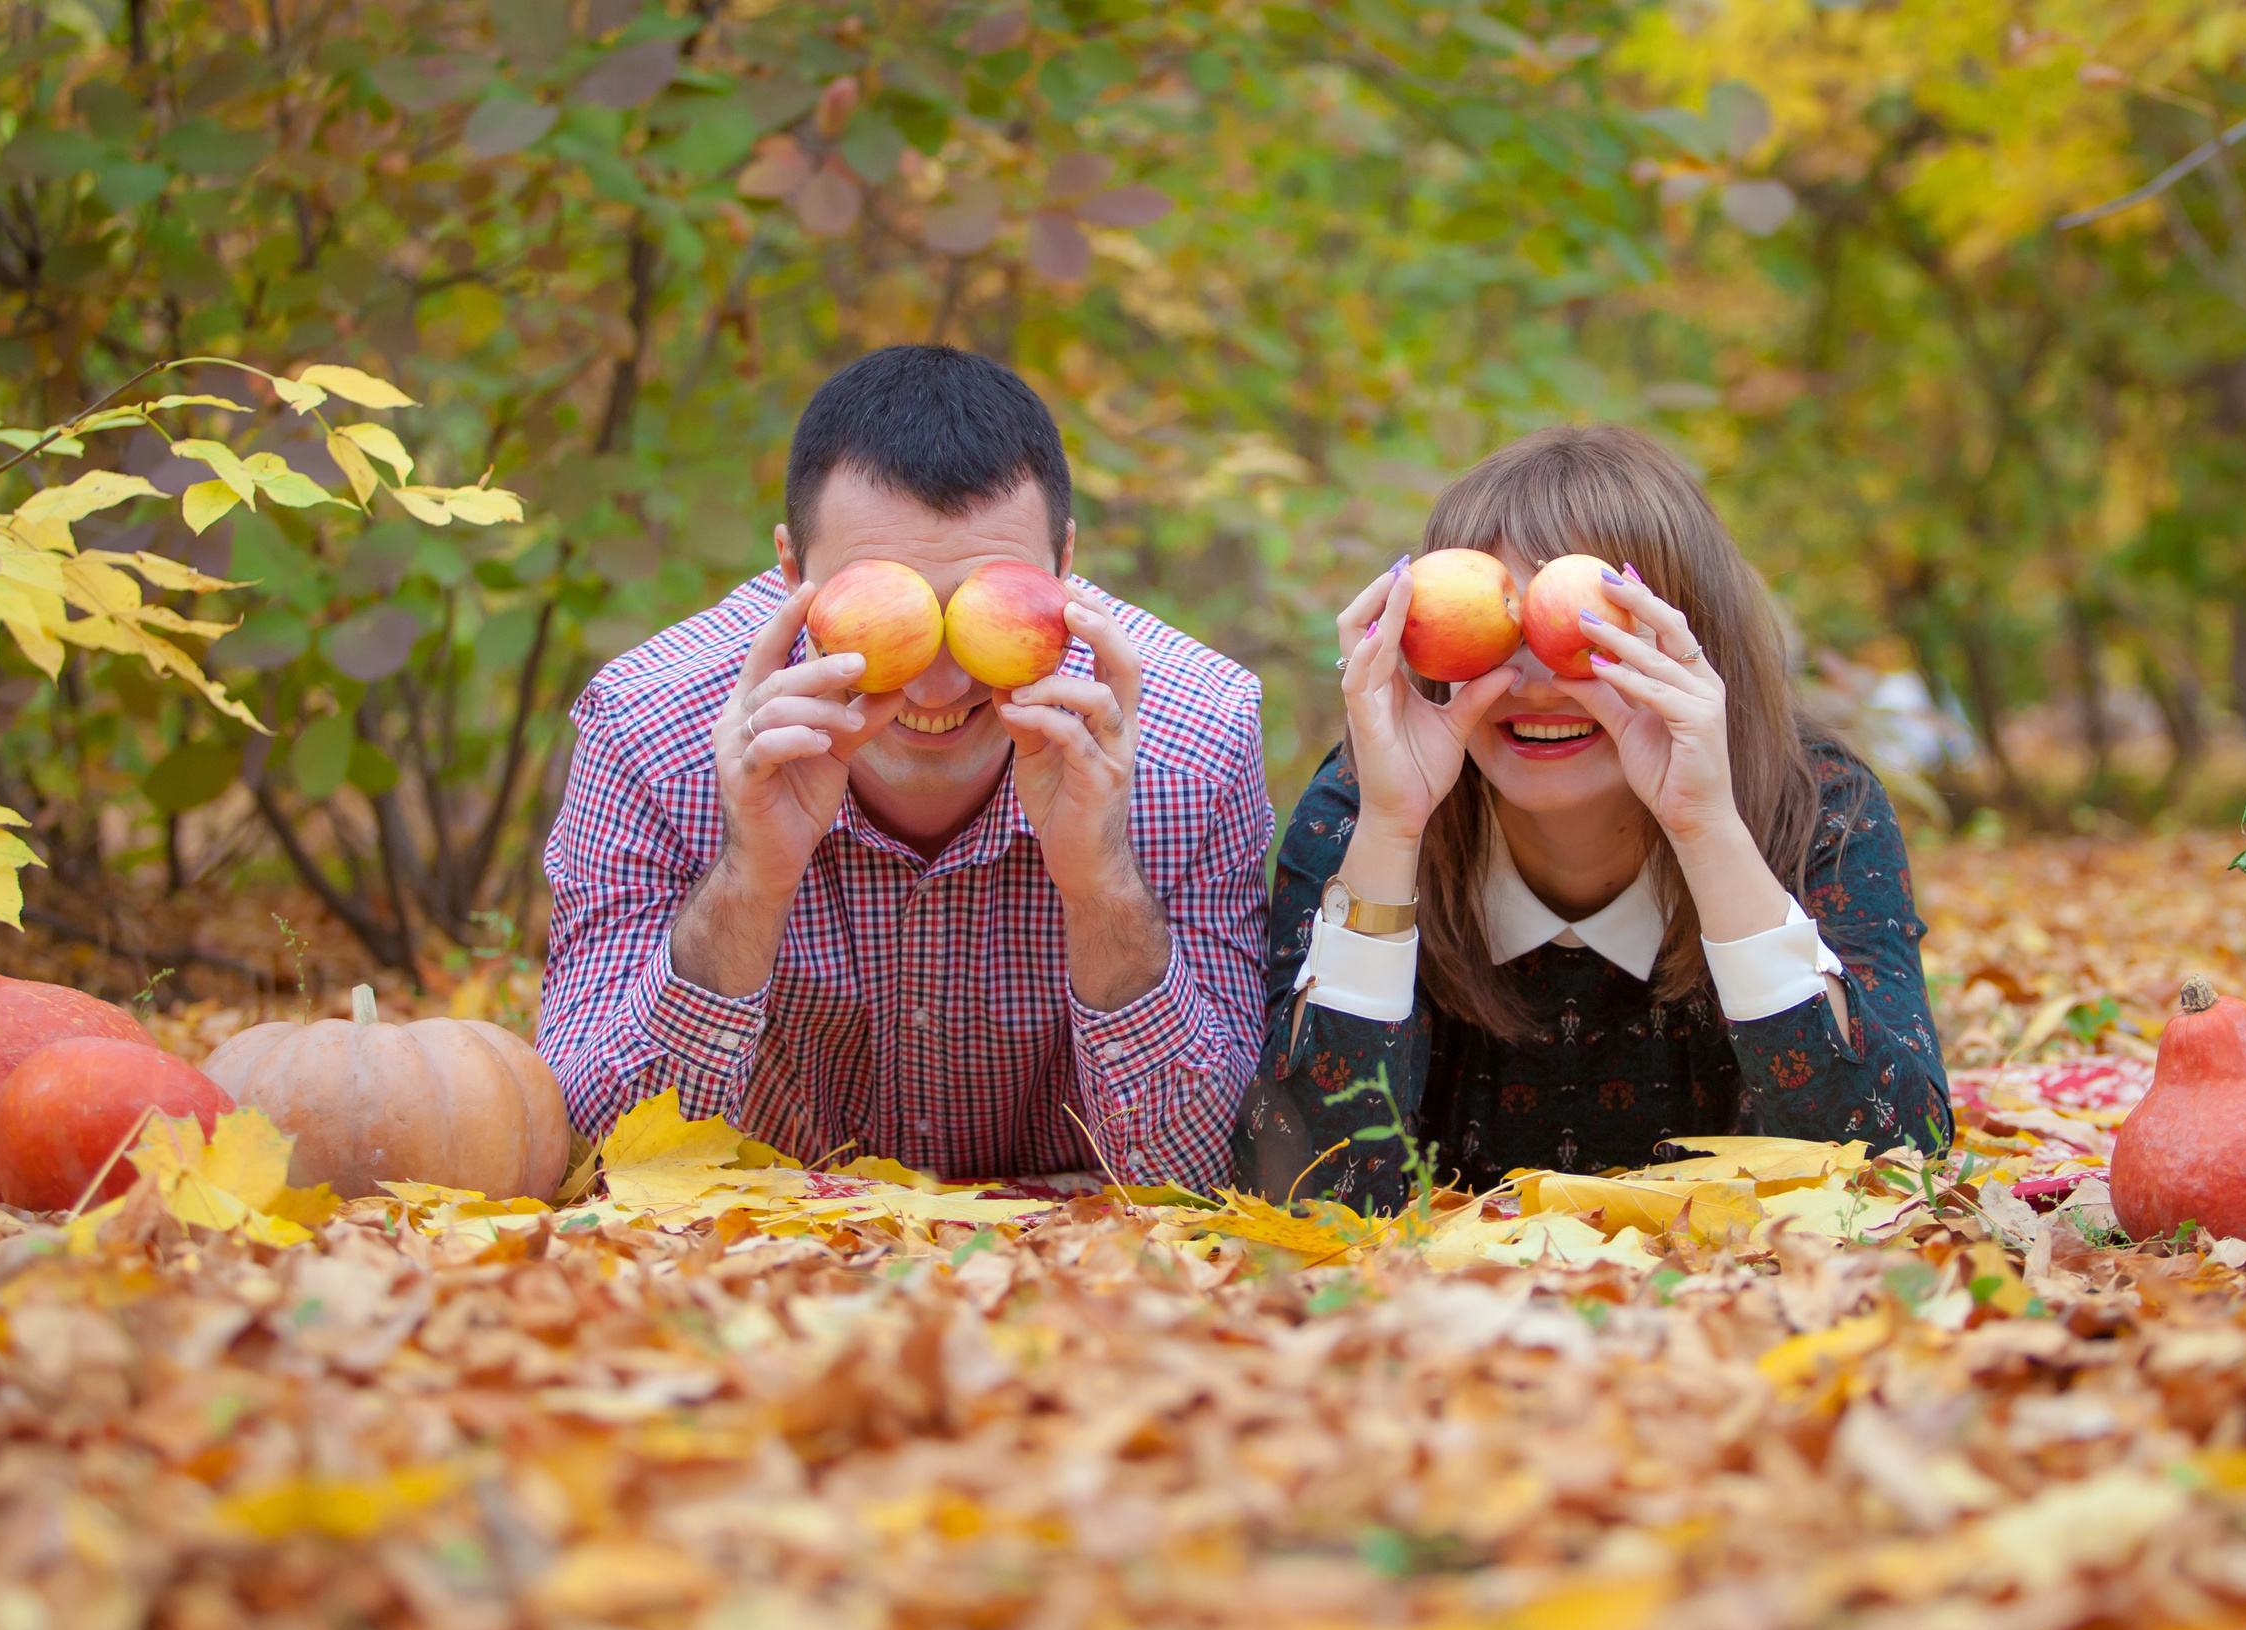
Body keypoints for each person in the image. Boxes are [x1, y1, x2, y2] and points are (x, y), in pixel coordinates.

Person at [539, 345, 1272, 1184]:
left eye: (982, 611)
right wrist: (750, 881)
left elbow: (1216, 1177)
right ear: (789, 572)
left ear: (1066, 567)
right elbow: (586, 1157)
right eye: (889, 610)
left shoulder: (1195, 739)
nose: (939, 677)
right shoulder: (650, 726)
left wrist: (1101, 883)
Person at [1243, 424, 1949, 1211]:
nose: (1539, 680)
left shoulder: (1817, 804)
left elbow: (1897, 1169)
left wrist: (1707, 829)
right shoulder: (1363, 809)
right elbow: (1306, 1194)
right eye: (1503, 623)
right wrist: (1391, 832)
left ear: (1690, 643)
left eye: (1590, 629)